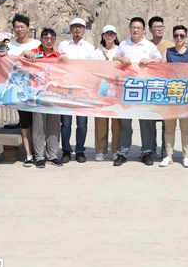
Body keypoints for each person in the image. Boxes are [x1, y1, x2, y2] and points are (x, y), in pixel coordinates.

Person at [112, 17, 162, 166]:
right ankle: (123, 153)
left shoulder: (149, 45)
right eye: (133, 27)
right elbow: (114, 59)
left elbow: (160, 60)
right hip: (127, 89)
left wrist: (150, 61)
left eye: (138, 28)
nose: (135, 30)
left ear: (144, 30)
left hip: (144, 89)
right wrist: (121, 59)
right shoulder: (123, 44)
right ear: (129, 29)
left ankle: (146, 152)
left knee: (146, 122)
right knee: (125, 123)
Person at [56, 17, 98, 163]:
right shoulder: (63, 45)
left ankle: (80, 150)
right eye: (75, 26)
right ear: (70, 28)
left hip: (82, 90)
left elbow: (93, 69)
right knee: (66, 123)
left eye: (80, 26)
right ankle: (66, 150)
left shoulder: (89, 48)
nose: (77, 29)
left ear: (85, 29)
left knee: (82, 123)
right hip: (66, 89)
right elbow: (57, 65)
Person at [160, 25, 188, 168]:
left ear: (186, 37)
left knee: (186, 128)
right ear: (173, 37)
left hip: (186, 96)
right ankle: (169, 155)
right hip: (170, 95)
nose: (179, 38)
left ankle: (186, 156)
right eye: (176, 35)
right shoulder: (168, 52)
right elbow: (162, 72)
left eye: (182, 35)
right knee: (169, 128)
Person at [5, 13, 41, 167]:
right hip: (19, 90)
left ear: (28, 28)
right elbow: (7, 65)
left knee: (37, 123)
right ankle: (28, 154)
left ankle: (38, 152)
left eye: (22, 26)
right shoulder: (10, 46)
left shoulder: (37, 43)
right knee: (25, 123)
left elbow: (44, 63)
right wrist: (21, 55)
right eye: (16, 27)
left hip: (36, 90)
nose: (19, 29)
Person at [30, 29, 66, 168]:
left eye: (52, 38)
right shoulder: (33, 53)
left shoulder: (58, 56)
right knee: (39, 126)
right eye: (46, 38)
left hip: (54, 97)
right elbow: (19, 61)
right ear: (41, 39)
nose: (49, 41)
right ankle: (39, 156)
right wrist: (24, 53)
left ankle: (52, 155)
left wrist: (66, 60)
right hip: (38, 96)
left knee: (54, 127)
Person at [93, 25, 121, 161]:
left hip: (117, 89)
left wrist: (109, 61)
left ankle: (116, 150)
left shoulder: (120, 50)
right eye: (107, 34)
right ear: (103, 36)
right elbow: (94, 70)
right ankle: (100, 150)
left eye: (112, 34)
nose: (109, 36)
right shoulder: (97, 51)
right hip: (101, 89)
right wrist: (106, 62)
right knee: (101, 121)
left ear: (115, 36)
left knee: (117, 122)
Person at [148, 16, 171, 157]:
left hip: (166, 88)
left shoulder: (170, 46)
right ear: (150, 29)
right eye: (156, 27)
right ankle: (151, 148)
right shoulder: (146, 45)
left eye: (161, 26)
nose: (159, 29)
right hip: (150, 87)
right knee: (149, 120)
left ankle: (165, 148)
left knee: (165, 122)